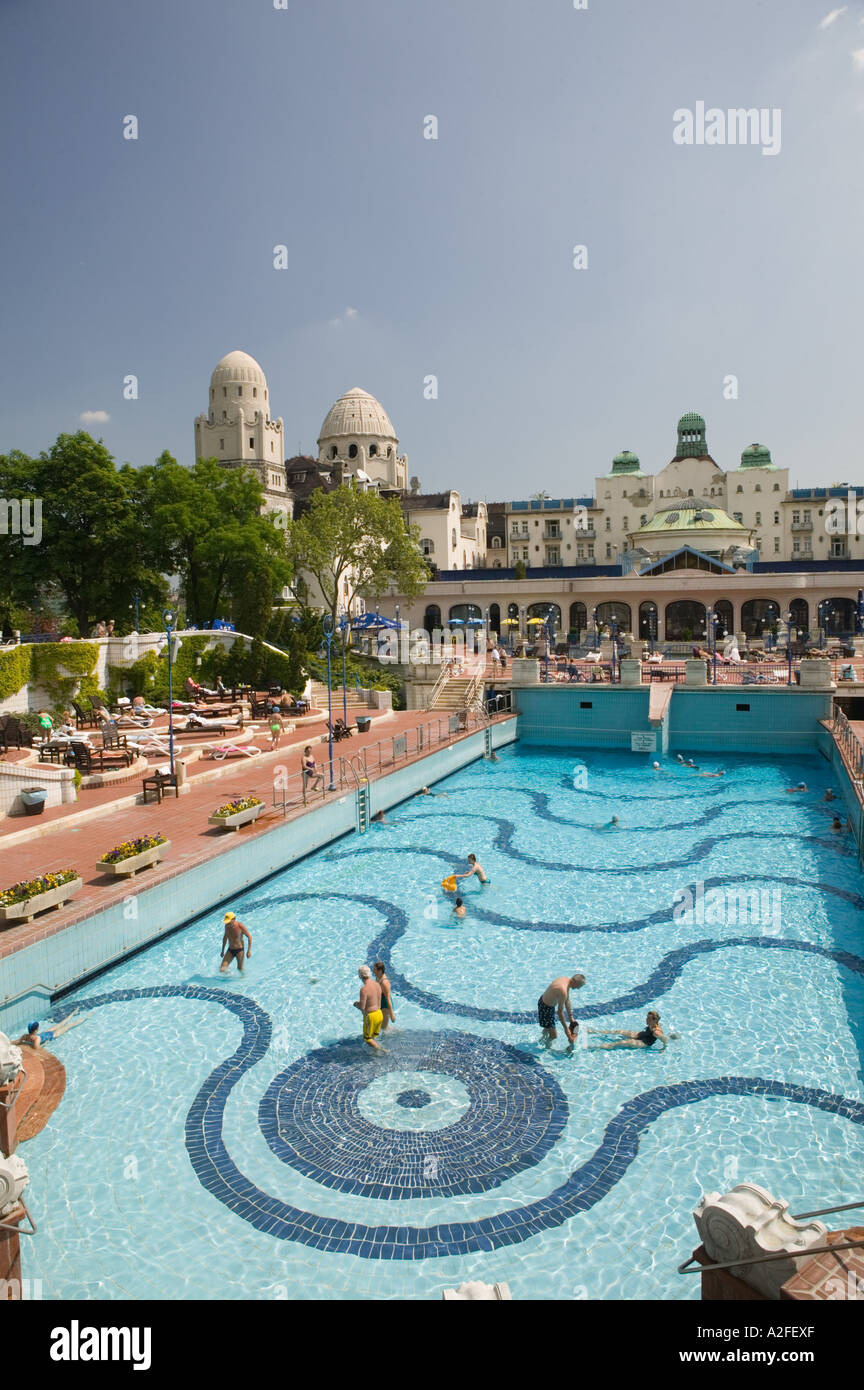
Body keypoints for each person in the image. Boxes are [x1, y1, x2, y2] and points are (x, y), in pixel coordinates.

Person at [588, 1010, 675, 1051]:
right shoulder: (655, 1024)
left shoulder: (656, 1032)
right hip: (642, 1035)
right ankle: (595, 1031)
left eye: (648, 1019)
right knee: (618, 1031)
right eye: (646, 1017)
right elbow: (659, 1024)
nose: (646, 1020)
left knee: (621, 1042)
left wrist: (663, 1048)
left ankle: (594, 1047)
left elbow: (665, 1040)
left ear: (654, 1020)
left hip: (644, 1042)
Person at [537, 974, 585, 1045]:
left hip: (545, 1003)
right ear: (574, 982)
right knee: (554, 1036)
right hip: (546, 1009)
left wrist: (571, 1017)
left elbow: (567, 1000)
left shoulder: (565, 980)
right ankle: (546, 1050)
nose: (578, 988)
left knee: (548, 1027)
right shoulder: (563, 991)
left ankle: (542, 1039)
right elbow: (560, 1012)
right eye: (579, 986)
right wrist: (567, 1030)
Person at [353, 964, 385, 1050]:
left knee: (367, 1039)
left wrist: (356, 1004)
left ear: (360, 976)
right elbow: (378, 1001)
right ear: (369, 974)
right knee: (373, 1036)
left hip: (371, 1017)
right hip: (379, 1014)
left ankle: (382, 1050)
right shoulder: (377, 985)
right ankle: (376, 1051)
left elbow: (362, 1007)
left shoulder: (364, 989)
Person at [17, 1012, 85, 1049]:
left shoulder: (25, 1036)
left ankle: (76, 1014)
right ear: (36, 1030)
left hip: (47, 1033)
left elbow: (18, 1041)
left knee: (68, 1025)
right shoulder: (37, 1038)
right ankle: (78, 1014)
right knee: (66, 1024)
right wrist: (45, 1043)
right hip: (50, 1034)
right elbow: (37, 1049)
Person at [373, 961, 395, 1031]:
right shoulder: (378, 977)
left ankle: (397, 1033)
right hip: (381, 1003)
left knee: (384, 1028)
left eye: (374, 970)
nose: (373, 971)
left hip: (386, 1006)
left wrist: (392, 1015)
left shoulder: (384, 982)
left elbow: (388, 999)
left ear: (380, 971)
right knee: (381, 1025)